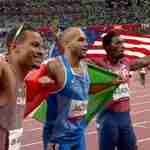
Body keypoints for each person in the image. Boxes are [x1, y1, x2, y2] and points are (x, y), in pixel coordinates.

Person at [25, 27, 91, 150]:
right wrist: (39, 82)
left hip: (78, 135)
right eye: (81, 40)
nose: (86, 44)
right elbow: (31, 79)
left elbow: (85, 91)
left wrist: (112, 82)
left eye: (86, 40)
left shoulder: (85, 66)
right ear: (67, 44)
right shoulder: (55, 66)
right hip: (57, 138)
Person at [90, 30, 150, 150]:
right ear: (107, 47)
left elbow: (144, 61)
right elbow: (76, 61)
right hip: (108, 118)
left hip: (125, 118)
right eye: (117, 43)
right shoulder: (99, 65)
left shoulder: (126, 63)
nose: (122, 46)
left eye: (123, 43)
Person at [0, 23, 44, 150]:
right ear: (14, 47)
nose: (41, 52)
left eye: (42, 47)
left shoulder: (22, 83)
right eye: (35, 45)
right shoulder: (4, 70)